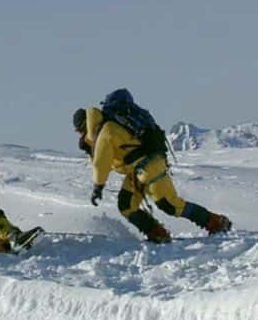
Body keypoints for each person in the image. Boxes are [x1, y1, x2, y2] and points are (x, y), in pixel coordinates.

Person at [73, 88, 232, 243]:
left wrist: (98, 187)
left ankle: (214, 222)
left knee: (170, 204)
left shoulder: (105, 131)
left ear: (84, 126)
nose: (80, 135)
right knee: (126, 205)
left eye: (79, 131)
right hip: (137, 172)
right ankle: (157, 233)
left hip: (149, 166)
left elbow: (101, 161)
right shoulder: (104, 129)